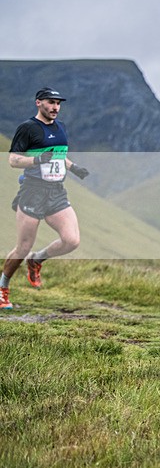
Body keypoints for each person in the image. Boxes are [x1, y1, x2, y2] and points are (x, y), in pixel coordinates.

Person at [1, 87, 90, 309]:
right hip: (32, 192)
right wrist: (37, 160)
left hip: (56, 192)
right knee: (22, 247)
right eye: (51, 102)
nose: (55, 107)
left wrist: (74, 167)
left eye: (58, 103)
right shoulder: (28, 128)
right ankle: (3, 288)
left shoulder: (61, 127)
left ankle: (37, 259)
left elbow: (58, 155)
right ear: (38, 103)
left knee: (72, 241)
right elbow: (13, 160)